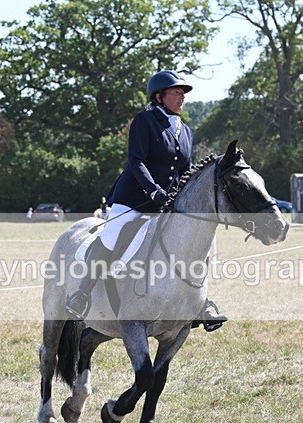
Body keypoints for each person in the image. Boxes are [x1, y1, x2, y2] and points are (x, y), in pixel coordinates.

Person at [64, 70, 227, 331]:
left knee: (191, 240)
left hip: (167, 203)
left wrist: (183, 198)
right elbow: (136, 161)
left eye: (183, 93)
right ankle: (82, 293)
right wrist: (154, 191)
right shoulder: (144, 121)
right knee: (112, 235)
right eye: (175, 93)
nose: (181, 98)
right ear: (159, 96)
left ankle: (199, 303)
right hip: (133, 198)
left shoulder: (186, 131)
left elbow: (186, 171)